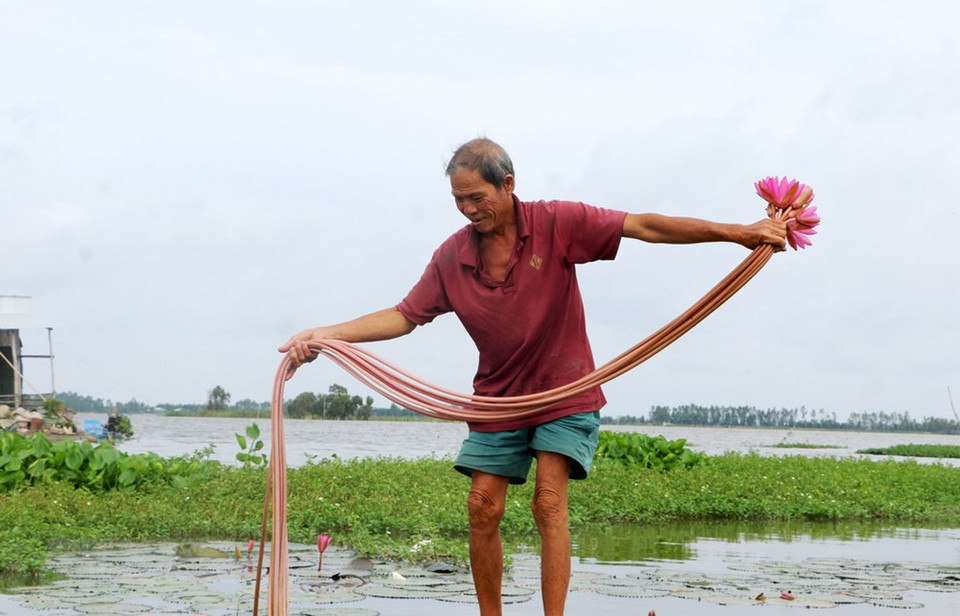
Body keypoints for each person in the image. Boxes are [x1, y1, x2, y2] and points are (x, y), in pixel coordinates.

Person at [279, 138, 787, 616]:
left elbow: (645, 226)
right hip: (498, 400)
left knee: (548, 502)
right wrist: (326, 334)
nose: (469, 209)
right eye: (459, 200)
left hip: (565, 392)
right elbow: (404, 316)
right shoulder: (452, 257)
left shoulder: (555, 222)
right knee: (481, 506)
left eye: (478, 197)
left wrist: (740, 233)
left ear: (508, 184)